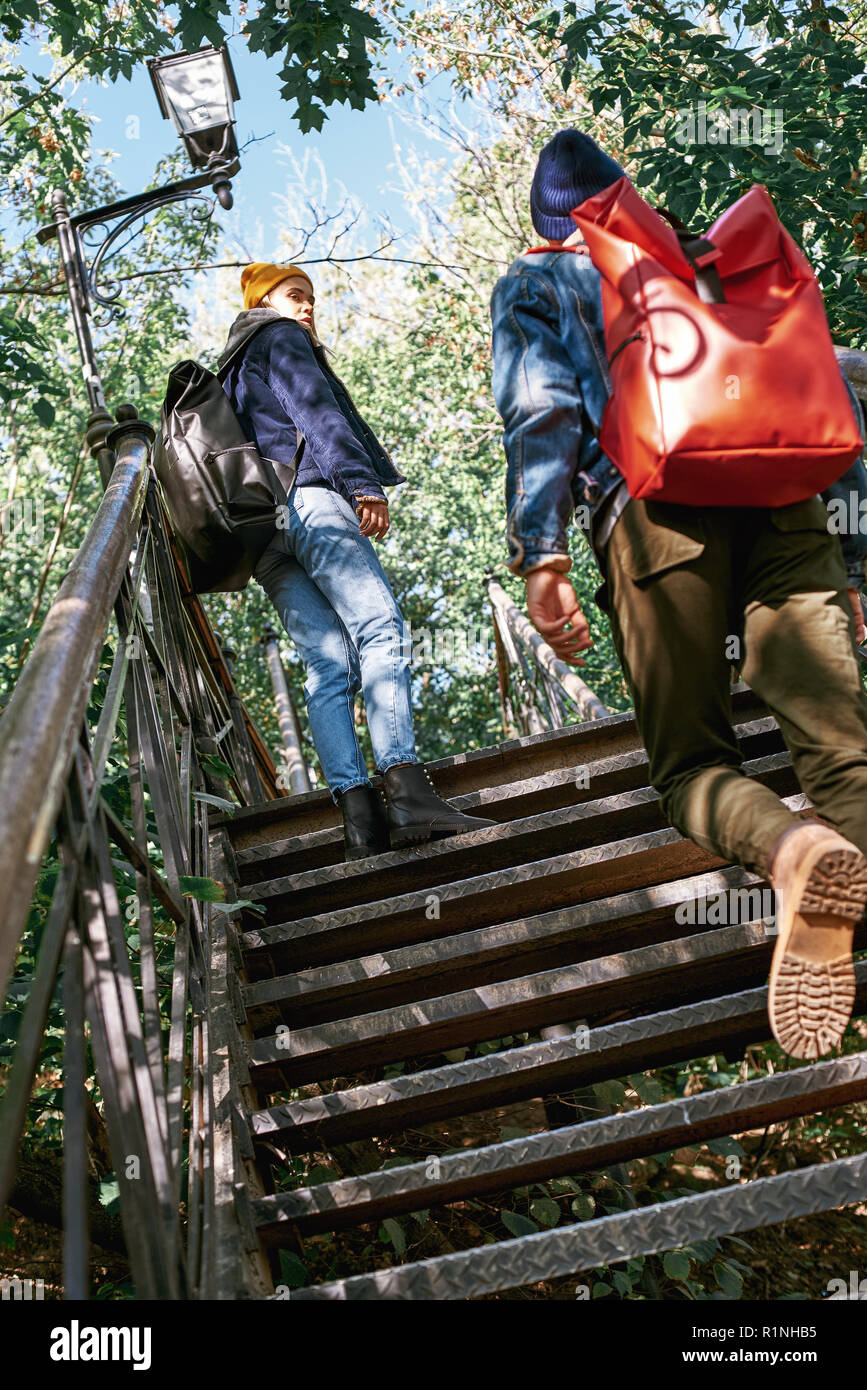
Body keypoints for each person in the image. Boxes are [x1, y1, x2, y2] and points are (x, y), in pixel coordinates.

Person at [490, 130, 867, 1060]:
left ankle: (791, 855)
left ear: (541, 226)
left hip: (654, 509)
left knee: (690, 765)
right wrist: (852, 571)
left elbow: (541, 411)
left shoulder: (534, 282)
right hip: (785, 502)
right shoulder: (692, 260)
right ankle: (836, 841)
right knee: (840, 750)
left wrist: (541, 557)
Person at [219, 262, 494, 859]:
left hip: (265, 536)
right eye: (296, 295)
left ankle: (360, 820)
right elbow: (318, 412)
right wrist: (362, 483)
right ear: (265, 300)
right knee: (380, 630)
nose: (308, 306)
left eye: (312, 298)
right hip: (312, 503)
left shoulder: (229, 369)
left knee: (326, 667)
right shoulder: (278, 336)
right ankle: (407, 789)